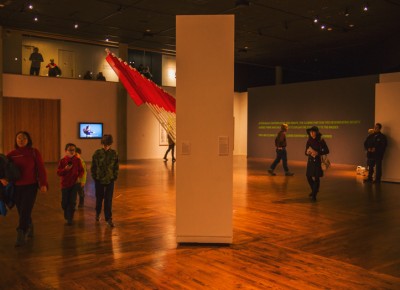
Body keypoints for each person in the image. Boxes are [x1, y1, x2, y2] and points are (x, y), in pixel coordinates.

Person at [7, 131, 48, 247]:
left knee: (25, 209)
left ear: (28, 140)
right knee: (22, 211)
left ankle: (21, 233)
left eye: (24, 138)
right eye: (19, 138)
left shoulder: (34, 152)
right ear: (16, 140)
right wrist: (3, 179)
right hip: (16, 187)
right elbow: (4, 169)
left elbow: (41, 169)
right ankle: (29, 225)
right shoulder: (11, 154)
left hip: (31, 186)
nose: (21, 140)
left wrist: (43, 184)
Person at [91, 134, 119, 227]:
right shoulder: (97, 153)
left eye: (107, 144)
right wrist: (95, 177)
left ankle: (108, 219)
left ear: (110, 144)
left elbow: (116, 166)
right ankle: (97, 213)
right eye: (104, 144)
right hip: (99, 180)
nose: (105, 146)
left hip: (110, 180)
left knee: (108, 200)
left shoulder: (114, 153)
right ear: (102, 143)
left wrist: (114, 176)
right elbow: (93, 167)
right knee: (99, 199)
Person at [57, 143, 84, 225]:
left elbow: (82, 170)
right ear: (66, 151)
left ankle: (70, 218)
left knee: (72, 201)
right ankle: (66, 211)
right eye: (70, 150)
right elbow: (58, 173)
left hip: (74, 184)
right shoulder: (62, 161)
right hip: (65, 185)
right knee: (65, 202)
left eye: (73, 150)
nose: (72, 152)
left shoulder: (77, 160)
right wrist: (65, 169)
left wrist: (79, 177)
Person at [305, 126, 329, 202]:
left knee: (316, 177)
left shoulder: (321, 140)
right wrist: (307, 152)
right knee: (308, 176)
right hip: (310, 161)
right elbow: (305, 152)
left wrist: (318, 153)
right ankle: (314, 190)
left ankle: (314, 194)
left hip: (318, 161)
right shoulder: (309, 140)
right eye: (310, 132)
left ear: (316, 132)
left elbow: (327, 150)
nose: (311, 133)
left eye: (313, 131)